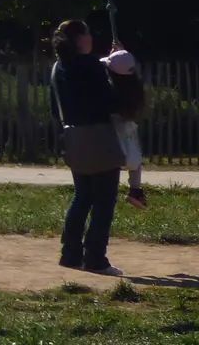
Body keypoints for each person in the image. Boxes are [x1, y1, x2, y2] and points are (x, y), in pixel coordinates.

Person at [51, 18, 123, 273]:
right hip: (99, 138)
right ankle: (95, 258)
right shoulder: (90, 65)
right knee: (104, 200)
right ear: (79, 38)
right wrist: (118, 68)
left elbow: (54, 109)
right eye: (88, 33)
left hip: (73, 140)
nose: (91, 37)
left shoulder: (57, 69)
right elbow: (109, 101)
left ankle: (70, 254)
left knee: (82, 196)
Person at [102, 46, 148, 210]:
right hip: (128, 127)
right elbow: (129, 67)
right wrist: (118, 54)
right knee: (135, 159)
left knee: (114, 162)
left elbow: (101, 68)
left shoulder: (109, 89)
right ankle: (135, 190)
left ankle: (111, 194)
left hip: (111, 130)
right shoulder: (135, 87)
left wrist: (113, 56)